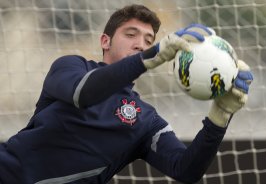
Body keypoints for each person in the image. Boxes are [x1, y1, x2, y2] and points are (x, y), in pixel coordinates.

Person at [0, 4, 253, 184]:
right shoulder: (72, 67)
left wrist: (220, 115)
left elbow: (186, 169)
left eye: (148, 39)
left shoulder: (146, 120)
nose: (140, 44)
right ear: (105, 41)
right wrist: (149, 57)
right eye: (131, 34)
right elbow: (83, 93)